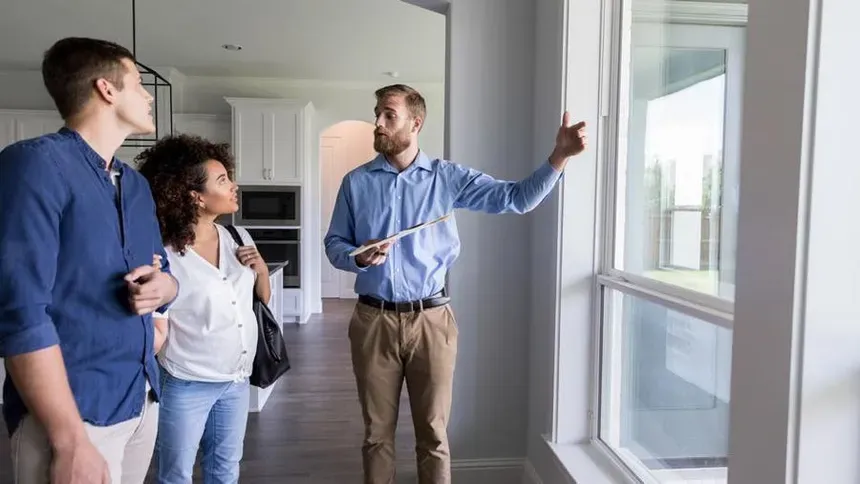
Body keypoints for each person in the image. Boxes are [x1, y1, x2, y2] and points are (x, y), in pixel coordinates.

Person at [324, 84, 587, 484]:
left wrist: (560, 157)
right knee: (377, 436)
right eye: (377, 112)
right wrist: (355, 256)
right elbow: (334, 243)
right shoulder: (355, 183)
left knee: (433, 435)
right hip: (372, 321)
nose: (377, 122)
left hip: (432, 322)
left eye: (388, 114)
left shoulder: (447, 178)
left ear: (416, 122)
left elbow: (516, 198)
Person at [0, 37, 179, 484]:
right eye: (139, 83)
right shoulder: (33, 166)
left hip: (140, 403)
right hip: (73, 418)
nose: (148, 94)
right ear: (107, 89)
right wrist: (70, 441)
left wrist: (165, 289)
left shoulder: (135, 186)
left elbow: (165, 276)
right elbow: (21, 315)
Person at [136, 134, 271, 484]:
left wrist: (261, 271)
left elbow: (262, 301)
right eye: (222, 180)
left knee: (225, 470)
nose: (233, 185)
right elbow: (154, 321)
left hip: (236, 380)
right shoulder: (163, 253)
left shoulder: (238, 238)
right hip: (186, 382)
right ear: (195, 196)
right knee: (176, 475)